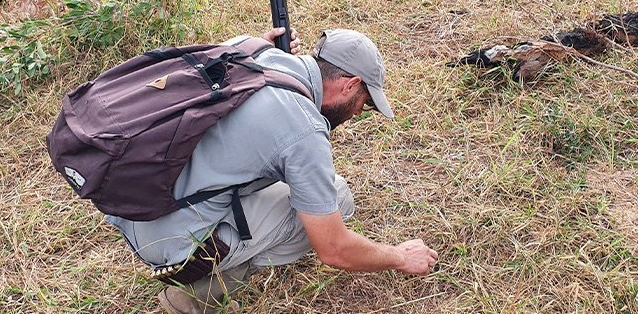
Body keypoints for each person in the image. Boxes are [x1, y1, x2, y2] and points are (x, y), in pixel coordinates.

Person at [104, 28, 438, 313]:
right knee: (338, 196)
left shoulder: (249, 49)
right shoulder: (303, 129)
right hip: (172, 245)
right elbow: (334, 249)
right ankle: (196, 295)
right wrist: (399, 257)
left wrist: (263, 42)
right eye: (364, 102)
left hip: (132, 205)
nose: (360, 113)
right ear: (349, 85)